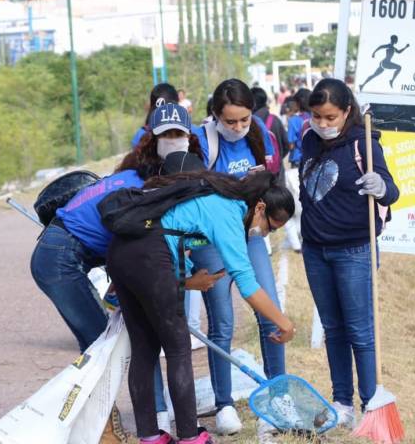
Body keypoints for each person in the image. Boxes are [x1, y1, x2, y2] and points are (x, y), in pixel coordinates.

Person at [30, 103, 205, 439]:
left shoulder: (136, 176)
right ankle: (102, 431)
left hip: (68, 251)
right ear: (151, 141)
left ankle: (108, 427)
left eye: (178, 134)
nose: (173, 140)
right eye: (165, 135)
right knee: (100, 348)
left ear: (189, 138)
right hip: (60, 256)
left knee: (108, 345)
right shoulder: (141, 184)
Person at [107, 170, 296, 444]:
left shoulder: (217, 197)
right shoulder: (230, 212)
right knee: (178, 348)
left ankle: (149, 436)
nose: (266, 233)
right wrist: (284, 323)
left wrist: (188, 282)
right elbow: (248, 285)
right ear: (260, 207)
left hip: (122, 253)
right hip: (147, 255)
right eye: (272, 226)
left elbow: (171, 240)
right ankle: (189, 437)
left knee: (144, 348)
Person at [299, 78, 399, 428]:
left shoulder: (364, 143)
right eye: (316, 116)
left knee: (360, 330)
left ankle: (371, 404)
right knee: (333, 329)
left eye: (329, 117)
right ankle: (342, 402)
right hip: (314, 250)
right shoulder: (309, 140)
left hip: (354, 249)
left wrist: (381, 186)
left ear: (346, 111)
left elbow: (393, 192)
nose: (322, 124)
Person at [191, 78, 286, 436]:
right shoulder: (202, 141)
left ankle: (278, 393)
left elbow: (272, 177)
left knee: (270, 311)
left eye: (243, 120)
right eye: (230, 121)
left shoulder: (258, 132)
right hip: (212, 238)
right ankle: (224, 402)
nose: (238, 128)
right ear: (215, 115)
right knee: (223, 322)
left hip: (248, 234)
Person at [283, 88, 311, 253]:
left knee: (296, 203)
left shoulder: (294, 120)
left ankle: (298, 240)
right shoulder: (315, 118)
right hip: (314, 163)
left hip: (297, 164)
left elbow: (291, 144)